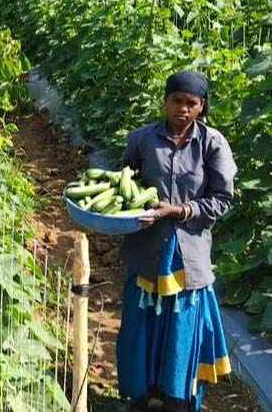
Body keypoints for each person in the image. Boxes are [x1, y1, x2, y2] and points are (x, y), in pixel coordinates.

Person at [116, 72, 236, 412]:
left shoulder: (212, 144)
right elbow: (124, 182)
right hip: (146, 250)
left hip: (188, 255)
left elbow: (222, 199)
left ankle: (177, 398)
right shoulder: (142, 140)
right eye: (176, 101)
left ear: (201, 107)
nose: (183, 109)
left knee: (181, 331)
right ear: (165, 101)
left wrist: (181, 210)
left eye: (191, 103)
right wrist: (132, 206)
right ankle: (140, 395)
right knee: (140, 327)